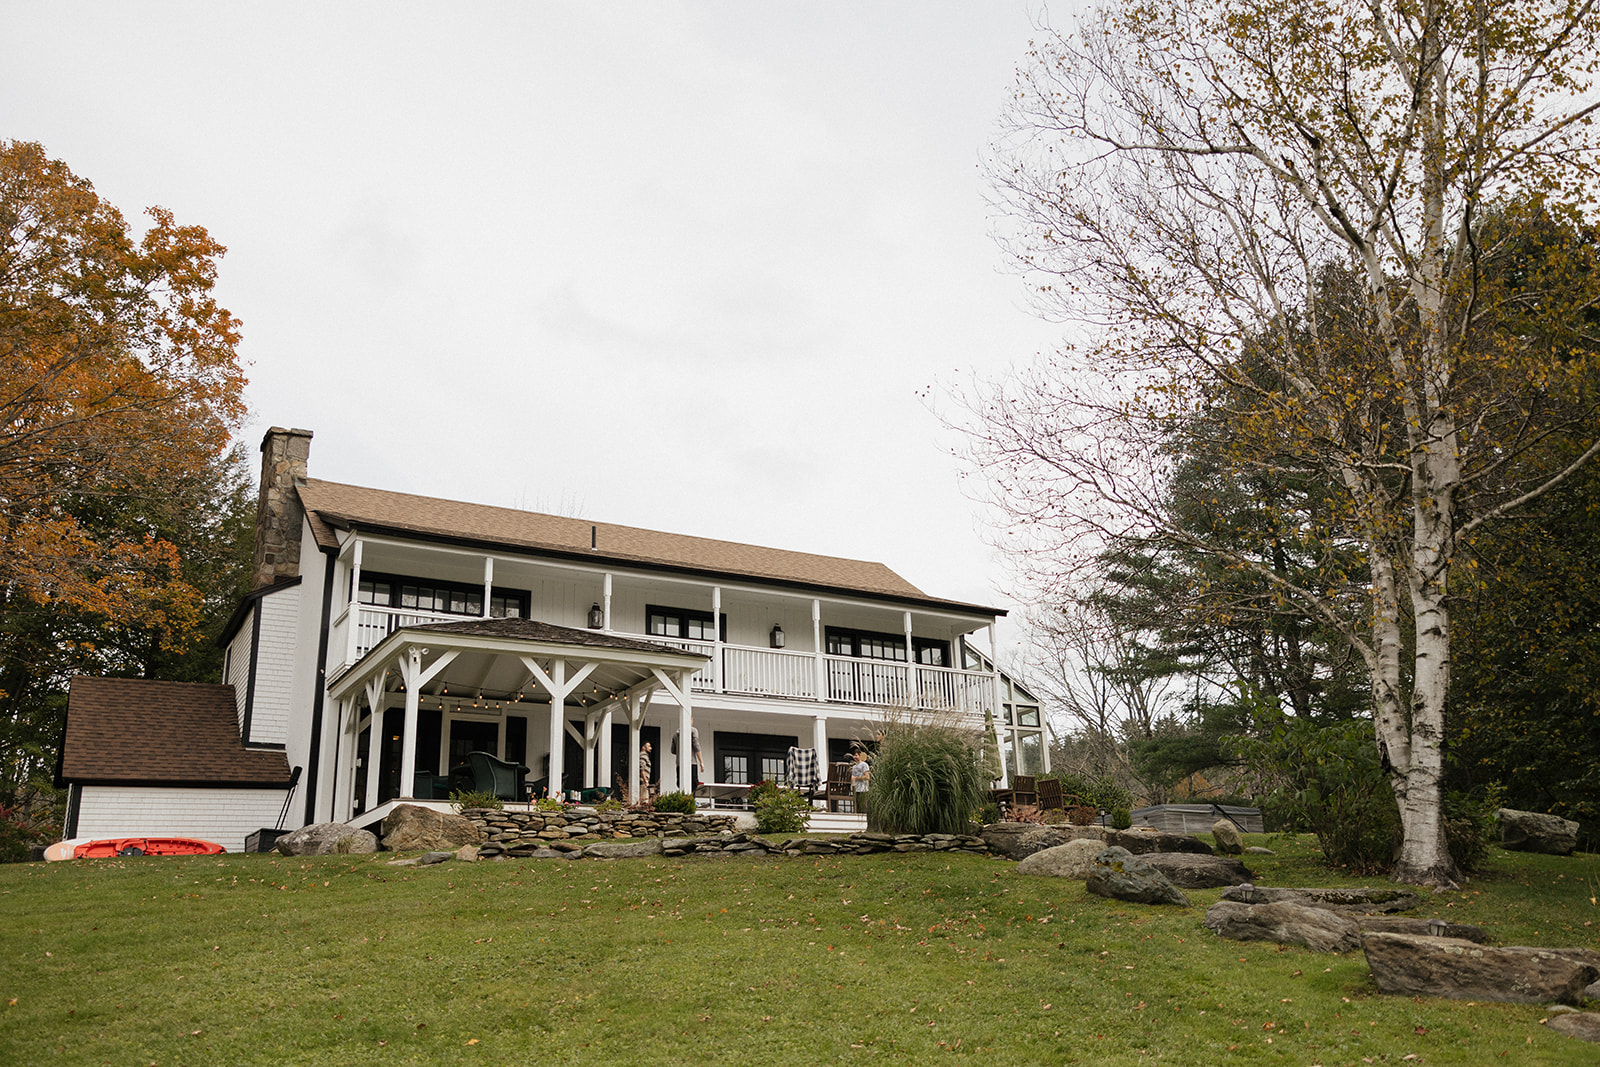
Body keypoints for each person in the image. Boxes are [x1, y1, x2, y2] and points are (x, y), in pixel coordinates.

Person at [671, 723, 706, 793]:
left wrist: (680, 752)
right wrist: (701, 762)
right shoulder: (693, 731)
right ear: (691, 720)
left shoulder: (675, 734)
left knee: (681, 783)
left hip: (679, 764)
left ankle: (684, 800)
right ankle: (691, 800)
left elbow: (673, 750)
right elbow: (696, 746)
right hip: (691, 762)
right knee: (693, 784)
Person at [850, 748, 871, 815]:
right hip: (856, 789)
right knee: (857, 808)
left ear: (860, 755)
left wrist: (856, 778)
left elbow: (867, 777)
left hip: (863, 789)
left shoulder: (864, 765)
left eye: (856, 755)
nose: (855, 757)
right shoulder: (854, 767)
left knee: (863, 808)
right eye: (854, 755)